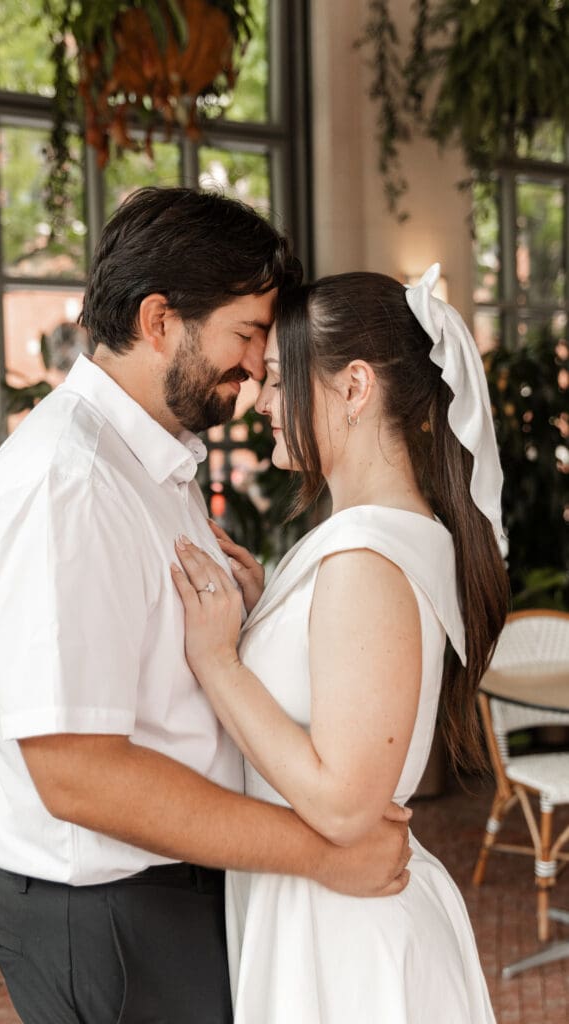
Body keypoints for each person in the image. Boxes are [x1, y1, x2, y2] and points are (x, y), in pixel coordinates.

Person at [0, 187, 413, 1024]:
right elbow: (78, 774)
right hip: (111, 915)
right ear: (160, 319)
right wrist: (321, 855)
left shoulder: (153, 462)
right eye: (245, 335)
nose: (254, 369)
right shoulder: (70, 484)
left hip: (171, 890)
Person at [172, 264, 509, 1023]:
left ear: (354, 387)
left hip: (345, 935)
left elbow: (347, 809)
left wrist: (218, 659)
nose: (260, 400)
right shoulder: (366, 544)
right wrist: (267, 621)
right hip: (321, 913)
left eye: (279, 378)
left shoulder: (366, 558)